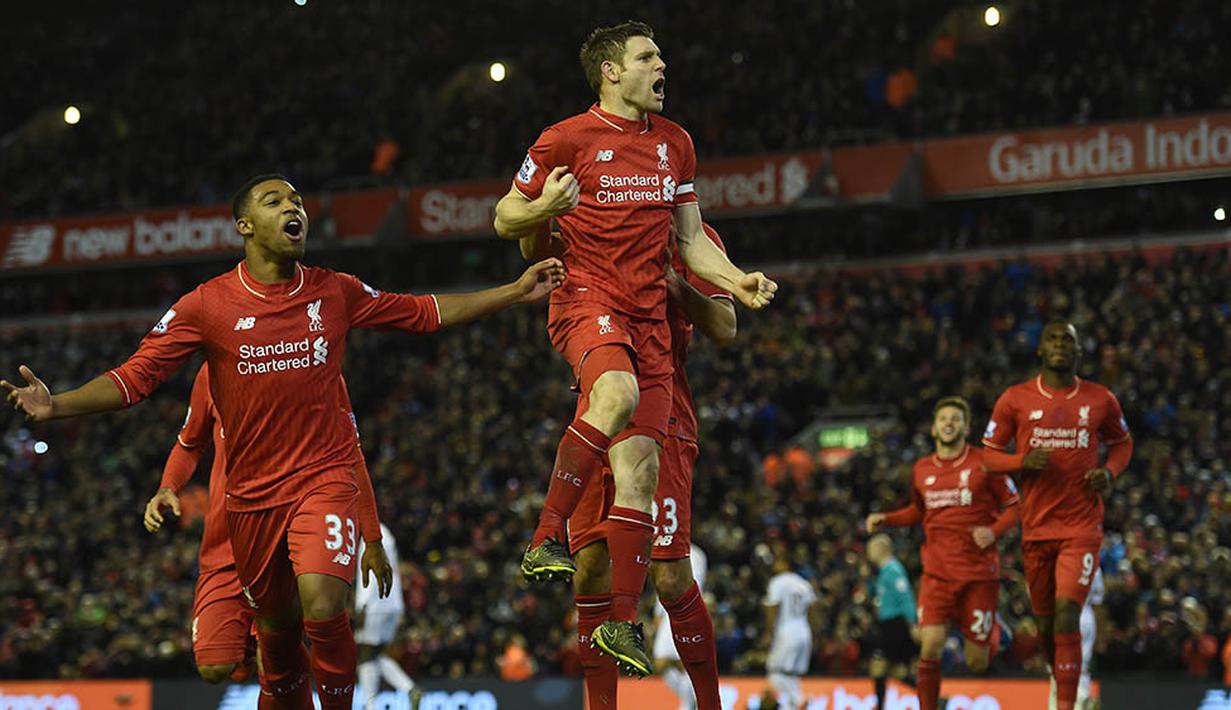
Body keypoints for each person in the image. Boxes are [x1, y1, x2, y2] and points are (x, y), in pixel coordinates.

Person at [3, 174, 564, 709]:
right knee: (276, 638)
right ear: (244, 225)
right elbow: (136, 377)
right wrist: (60, 405)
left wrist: (513, 292)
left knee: (324, 604)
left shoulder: (334, 291)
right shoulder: (209, 305)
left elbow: (420, 312)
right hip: (249, 502)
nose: (293, 207)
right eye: (274, 201)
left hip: (323, 480)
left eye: (296, 199)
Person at [493, 20, 777, 677]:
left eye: (661, 57)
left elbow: (691, 238)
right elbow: (506, 214)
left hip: (649, 320)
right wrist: (545, 208)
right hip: (589, 300)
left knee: (640, 476)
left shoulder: (675, 144)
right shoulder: (563, 138)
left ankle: (622, 620)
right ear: (610, 71)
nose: (662, 67)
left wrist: (737, 279)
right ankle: (544, 536)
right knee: (614, 396)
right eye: (648, 57)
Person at [541, 222, 734, 705]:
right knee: (589, 567)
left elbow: (725, 326)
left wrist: (674, 284)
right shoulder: (602, 224)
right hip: (599, 405)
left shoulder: (695, 239)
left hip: (663, 409)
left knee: (669, 574)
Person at [144, 365, 393, 688]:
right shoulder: (213, 373)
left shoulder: (315, 364)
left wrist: (371, 536)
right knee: (213, 666)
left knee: (277, 656)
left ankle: (290, 670)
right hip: (226, 546)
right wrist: (168, 485)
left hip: (279, 538)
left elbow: (352, 455)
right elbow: (190, 443)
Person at [981, 318, 1132, 710]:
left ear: (1078, 351)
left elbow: (1123, 444)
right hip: (1036, 528)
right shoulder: (1015, 399)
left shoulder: (1100, 399)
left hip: (1081, 525)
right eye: (1053, 339)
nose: (1061, 345)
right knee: (1047, 626)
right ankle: (1062, 681)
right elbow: (988, 457)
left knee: (1067, 614)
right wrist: (1021, 461)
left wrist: (1109, 472)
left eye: (1068, 339)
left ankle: (1066, 704)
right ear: (1040, 350)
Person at [865, 396, 1021, 710]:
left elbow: (1015, 506)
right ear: (934, 429)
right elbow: (917, 511)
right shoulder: (922, 469)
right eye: (943, 419)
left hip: (977, 574)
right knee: (930, 645)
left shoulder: (986, 462)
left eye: (956, 418)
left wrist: (993, 532)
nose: (948, 423)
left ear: (966, 427)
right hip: (937, 574)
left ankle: (995, 632)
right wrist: (888, 519)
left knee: (977, 661)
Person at [355, 523, 421, 710]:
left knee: (366, 655)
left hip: (376, 604)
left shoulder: (370, 537)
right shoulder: (387, 534)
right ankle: (409, 688)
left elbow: (370, 575)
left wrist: (363, 605)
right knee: (376, 654)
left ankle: (370, 705)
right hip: (393, 602)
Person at [651, 543, 709, 710]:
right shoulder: (664, 547)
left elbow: (687, 583)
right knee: (663, 663)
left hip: (683, 610)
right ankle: (690, 702)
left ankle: (687, 705)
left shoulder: (695, 554)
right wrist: (658, 613)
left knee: (681, 662)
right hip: (666, 610)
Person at [865, 534, 916, 710]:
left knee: (878, 666)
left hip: (895, 624)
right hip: (889, 625)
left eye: (871, 548)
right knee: (894, 670)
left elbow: (906, 597)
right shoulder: (884, 572)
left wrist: (912, 623)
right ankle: (933, 697)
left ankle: (880, 706)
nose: (868, 553)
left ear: (881, 549)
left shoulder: (893, 570)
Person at [761, 557, 818, 710]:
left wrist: (769, 633)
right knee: (792, 676)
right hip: (804, 633)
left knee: (775, 673)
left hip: (786, 633)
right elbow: (813, 611)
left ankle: (797, 703)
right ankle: (798, 702)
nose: (774, 564)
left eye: (778, 561)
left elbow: (772, 608)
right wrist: (814, 634)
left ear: (786, 564)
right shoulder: (804, 584)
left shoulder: (778, 581)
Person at [1074, 567, 1103, 710]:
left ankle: (1081, 701)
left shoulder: (1060, 556)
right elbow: (1098, 601)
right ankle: (1083, 699)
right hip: (1086, 614)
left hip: (1070, 612)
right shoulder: (1094, 563)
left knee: (1066, 664)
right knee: (1082, 666)